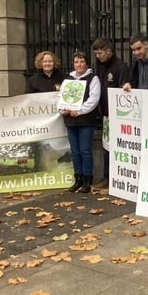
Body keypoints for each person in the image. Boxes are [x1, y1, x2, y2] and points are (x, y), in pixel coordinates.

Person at [91, 37, 130, 189]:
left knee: (120, 148)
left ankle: (118, 178)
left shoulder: (120, 67)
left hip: (119, 115)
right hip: (106, 113)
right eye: (96, 53)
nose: (97, 56)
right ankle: (107, 177)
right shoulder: (100, 66)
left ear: (108, 51)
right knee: (107, 147)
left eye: (100, 53)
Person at [59, 52, 101, 193]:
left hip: (85, 120)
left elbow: (94, 99)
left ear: (87, 63)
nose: (79, 65)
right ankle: (78, 179)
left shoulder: (92, 78)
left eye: (82, 61)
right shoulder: (68, 79)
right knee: (75, 151)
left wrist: (80, 111)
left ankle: (87, 180)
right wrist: (62, 109)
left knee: (85, 150)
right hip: (70, 120)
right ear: (73, 64)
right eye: (76, 62)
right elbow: (60, 97)